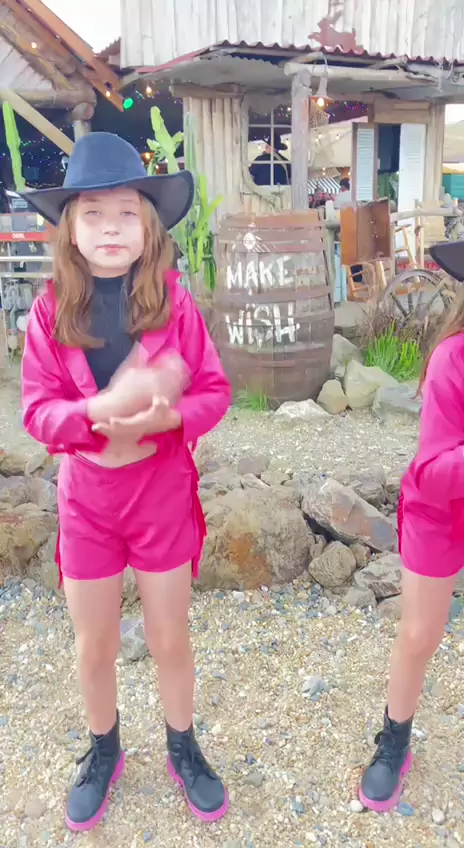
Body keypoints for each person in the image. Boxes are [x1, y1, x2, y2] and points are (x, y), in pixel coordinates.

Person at [20, 132, 231, 832]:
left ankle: (183, 745)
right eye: (93, 213)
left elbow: (214, 392)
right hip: (87, 499)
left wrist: (173, 417)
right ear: (70, 229)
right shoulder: (49, 311)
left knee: (170, 635)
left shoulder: (175, 305)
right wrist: (93, 414)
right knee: (96, 643)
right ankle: (103, 748)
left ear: (149, 228)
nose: (110, 228)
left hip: (161, 492)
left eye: (126, 213)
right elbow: (36, 410)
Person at [359, 241, 464, 812]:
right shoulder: (452, 358)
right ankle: (395, 738)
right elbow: (431, 470)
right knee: (421, 634)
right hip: (439, 508)